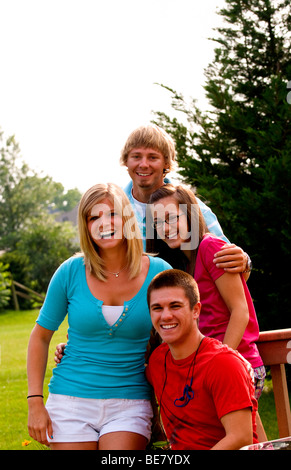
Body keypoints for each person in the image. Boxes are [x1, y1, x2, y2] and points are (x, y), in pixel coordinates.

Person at [27, 183, 171, 450]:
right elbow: (40, 336)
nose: (105, 223)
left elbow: (179, 328)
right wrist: (35, 400)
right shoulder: (70, 271)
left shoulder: (159, 272)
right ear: (86, 226)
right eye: (94, 217)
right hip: (69, 399)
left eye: (113, 213)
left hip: (129, 402)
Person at [147, 183, 265, 399]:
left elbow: (240, 310)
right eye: (157, 222)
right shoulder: (185, 261)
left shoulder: (210, 247)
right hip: (211, 364)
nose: (164, 227)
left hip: (237, 364)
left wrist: (221, 363)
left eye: (171, 218)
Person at [146, 269, 259, 450]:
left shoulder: (223, 364)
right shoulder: (158, 361)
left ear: (196, 310)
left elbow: (241, 437)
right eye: (157, 308)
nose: (166, 316)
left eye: (175, 306)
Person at [120, 124, 252, 275]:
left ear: (167, 163)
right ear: (126, 161)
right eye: (136, 156)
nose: (143, 164)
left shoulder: (192, 207)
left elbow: (230, 266)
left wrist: (244, 262)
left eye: (153, 157)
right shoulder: (112, 209)